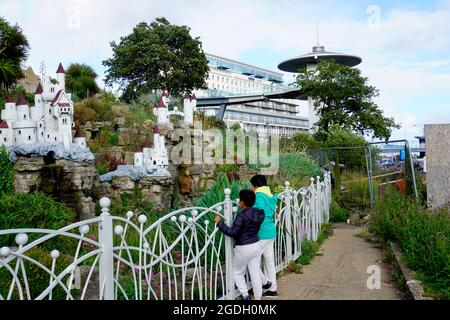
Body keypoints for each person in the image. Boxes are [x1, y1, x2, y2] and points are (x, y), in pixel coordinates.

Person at [215, 190, 265, 300]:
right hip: (256, 244)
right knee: (255, 272)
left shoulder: (241, 216)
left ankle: (245, 295)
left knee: (237, 272)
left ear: (241, 202)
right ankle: (258, 298)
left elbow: (233, 232)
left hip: (243, 247)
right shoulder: (260, 213)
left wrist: (219, 223)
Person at [250, 175, 279, 298]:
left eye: (252, 185)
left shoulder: (259, 196)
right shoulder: (270, 195)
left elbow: (258, 214)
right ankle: (273, 289)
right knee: (269, 261)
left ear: (256, 185)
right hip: (270, 231)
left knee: (251, 261)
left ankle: (264, 283)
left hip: (262, 233)